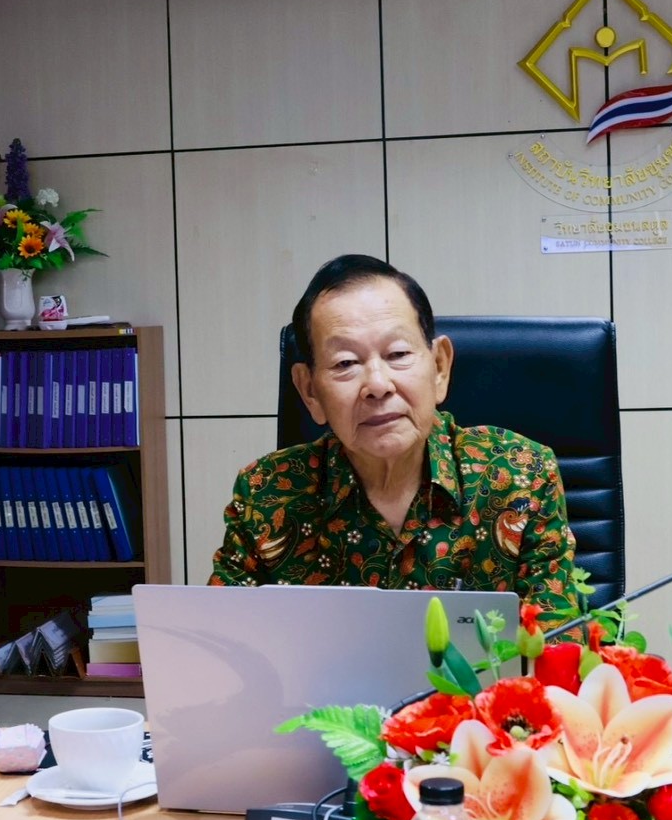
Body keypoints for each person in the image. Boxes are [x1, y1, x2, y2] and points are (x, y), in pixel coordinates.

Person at [208, 254, 582, 621]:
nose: (377, 384)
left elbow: (558, 641)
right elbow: (218, 641)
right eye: (345, 363)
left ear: (439, 367)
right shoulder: (267, 494)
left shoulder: (519, 476)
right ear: (309, 391)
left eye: (398, 353)